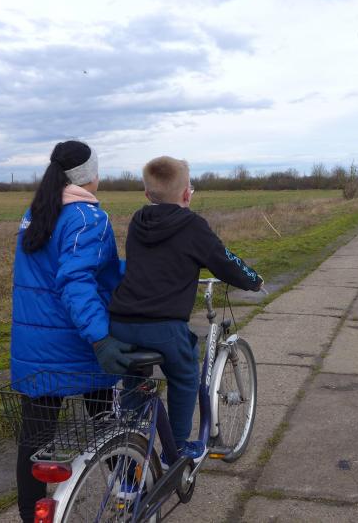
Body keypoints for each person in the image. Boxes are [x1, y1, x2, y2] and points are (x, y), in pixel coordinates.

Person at [108, 156, 263, 463]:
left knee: (134, 381)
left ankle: (127, 444)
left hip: (121, 322)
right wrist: (253, 280)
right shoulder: (192, 225)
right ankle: (176, 451)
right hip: (163, 327)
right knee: (185, 376)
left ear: (147, 193)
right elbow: (224, 260)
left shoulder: (138, 221)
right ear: (186, 194)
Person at [10, 140, 135, 522]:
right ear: (88, 175)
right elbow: (76, 282)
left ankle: (31, 515)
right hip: (76, 342)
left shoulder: (37, 212)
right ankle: (130, 493)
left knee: (34, 440)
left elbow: (51, 274)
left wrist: (121, 270)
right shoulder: (86, 217)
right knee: (108, 423)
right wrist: (100, 337)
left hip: (34, 347)